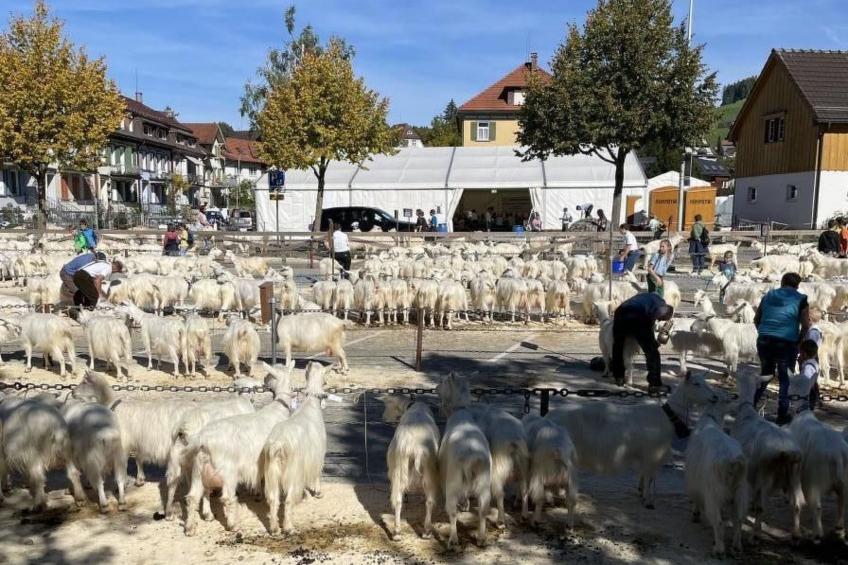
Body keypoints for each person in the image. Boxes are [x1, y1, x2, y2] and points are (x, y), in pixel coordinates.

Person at [754, 272, 810, 425]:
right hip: (786, 342)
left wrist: (764, 332)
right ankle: (782, 414)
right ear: (797, 285)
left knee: (766, 374)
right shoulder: (801, 299)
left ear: (782, 282)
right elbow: (806, 325)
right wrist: (798, 341)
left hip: (764, 340)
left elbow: (756, 318)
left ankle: (749, 406)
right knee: (785, 378)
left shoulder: (768, 295)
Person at [610, 292, 675, 394]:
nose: (659, 320)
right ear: (667, 312)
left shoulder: (650, 298)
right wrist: (654, 344)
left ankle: (619, 377)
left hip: (620, 312)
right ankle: (655, 384)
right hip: (637, 315)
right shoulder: (661, 305)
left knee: (618, 346)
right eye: (661, 318)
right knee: (652, 353)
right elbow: (650, 322)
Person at [804, 309, 824, 411]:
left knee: (809, 379)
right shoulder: (816, 331)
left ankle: (812, 402)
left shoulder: (813, 332)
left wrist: (804, 355)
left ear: (809, 319)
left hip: (810, 357)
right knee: (813, 380)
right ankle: (816, 399)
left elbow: (810, 346)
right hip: (813, 356)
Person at [794, 339, 820, 414]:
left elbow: (805, 381)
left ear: (804, 354)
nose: (799, 356)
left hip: (807, 395)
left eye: (800, 353)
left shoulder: (808, 367)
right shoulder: (814, 363)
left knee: (804, 412)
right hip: (811, 391)